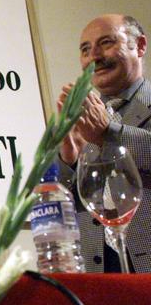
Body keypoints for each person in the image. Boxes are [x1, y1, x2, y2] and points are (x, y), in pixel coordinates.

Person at [58, 14, 150, 272]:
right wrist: (68, 159)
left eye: (106, 43)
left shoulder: (98, 123)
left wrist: (108, 134)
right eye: (85, 50)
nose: (94, 57)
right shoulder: (81, 118)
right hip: (98, 278)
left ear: (140, 46)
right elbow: (51, 207)